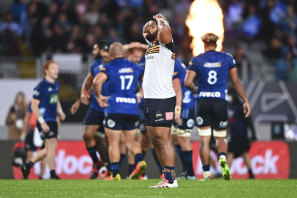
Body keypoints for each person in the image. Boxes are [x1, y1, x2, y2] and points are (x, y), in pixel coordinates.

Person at [184, 33, 251, 180]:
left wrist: (196, 90)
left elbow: (187, 82)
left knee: (205, 140)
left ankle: (207, 173)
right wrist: (245, 100)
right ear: (217, 44)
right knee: (221, 137)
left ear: (203, 44)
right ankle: (222, 157)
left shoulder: (196, 60)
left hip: (203, 102)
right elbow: (236, 82)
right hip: (220, 102)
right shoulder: (227, 58)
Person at [93, 42, 146, 180]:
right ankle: (140, 161)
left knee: (114, 142)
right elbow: (147, 79)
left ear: (110, 54)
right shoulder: (134, 66)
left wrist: (99, 97)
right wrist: (140, 94)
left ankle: (115, 174)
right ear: (123, 53)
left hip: (115, 108)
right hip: (132, 108)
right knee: (131, 142)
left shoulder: (109, 67)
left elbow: (96, 82)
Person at [142, 14, 178, 188]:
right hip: (150, 99)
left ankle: (171, 179)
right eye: (146, 26)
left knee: (163, 139)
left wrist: (162, 21)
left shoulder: (167, 45)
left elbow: (167, 34)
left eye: (151, 25)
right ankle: (166, 176)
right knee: (154, 140)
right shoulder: (151, 46)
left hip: (163, 98)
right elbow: (146, 36)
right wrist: (152, 27)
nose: (147, 27)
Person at [70, 41, 111, 179]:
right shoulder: (95, 64)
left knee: (106, 140)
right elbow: (88, 83)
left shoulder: (115, 63)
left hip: (110, 107)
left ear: (103, 50)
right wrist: (81, 96)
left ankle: (109, 169)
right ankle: (98, 163)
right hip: (95, 106)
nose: (93, 51)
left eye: (95, 49)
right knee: (87, 135)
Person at [21, 60, 66, 179]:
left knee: (50, 149)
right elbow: (34, 106)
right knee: (51, 145)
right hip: (44, 120)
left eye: (57, 68)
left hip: (53, 119)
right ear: (46, 71)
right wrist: (42, 122)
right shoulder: (40, 87)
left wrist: (60, 112)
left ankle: (27, 165)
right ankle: (52, 173)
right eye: (53, 69)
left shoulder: (56, 85)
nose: (56, 71)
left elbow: (56, 99)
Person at [172, 58, 196, 180]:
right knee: (176, 138)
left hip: (185, 106)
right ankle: (186, 171)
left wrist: (177, 111)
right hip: (178, 105)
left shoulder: (172, 63)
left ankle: (191, 173)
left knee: (184, 138)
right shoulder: (173, 61)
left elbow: (178, 90)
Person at [227, 88, 256, 179]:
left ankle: (226, 173)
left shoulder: (240, 106)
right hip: (237, 133)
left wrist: (253, 133)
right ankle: (251, 174)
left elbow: (249, 120)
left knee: (230, 152)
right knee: (244, 153)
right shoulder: (230, 107)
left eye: (229, 95)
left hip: (239, 133)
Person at [23, 99, 46, 179]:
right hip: (33, 129)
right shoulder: (33, 100)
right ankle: (25, 175)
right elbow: (27, 116)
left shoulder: (49, 99)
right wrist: (24, 132)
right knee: (29, 154)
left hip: (44, 129)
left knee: (44, 154)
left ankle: (42, 176)